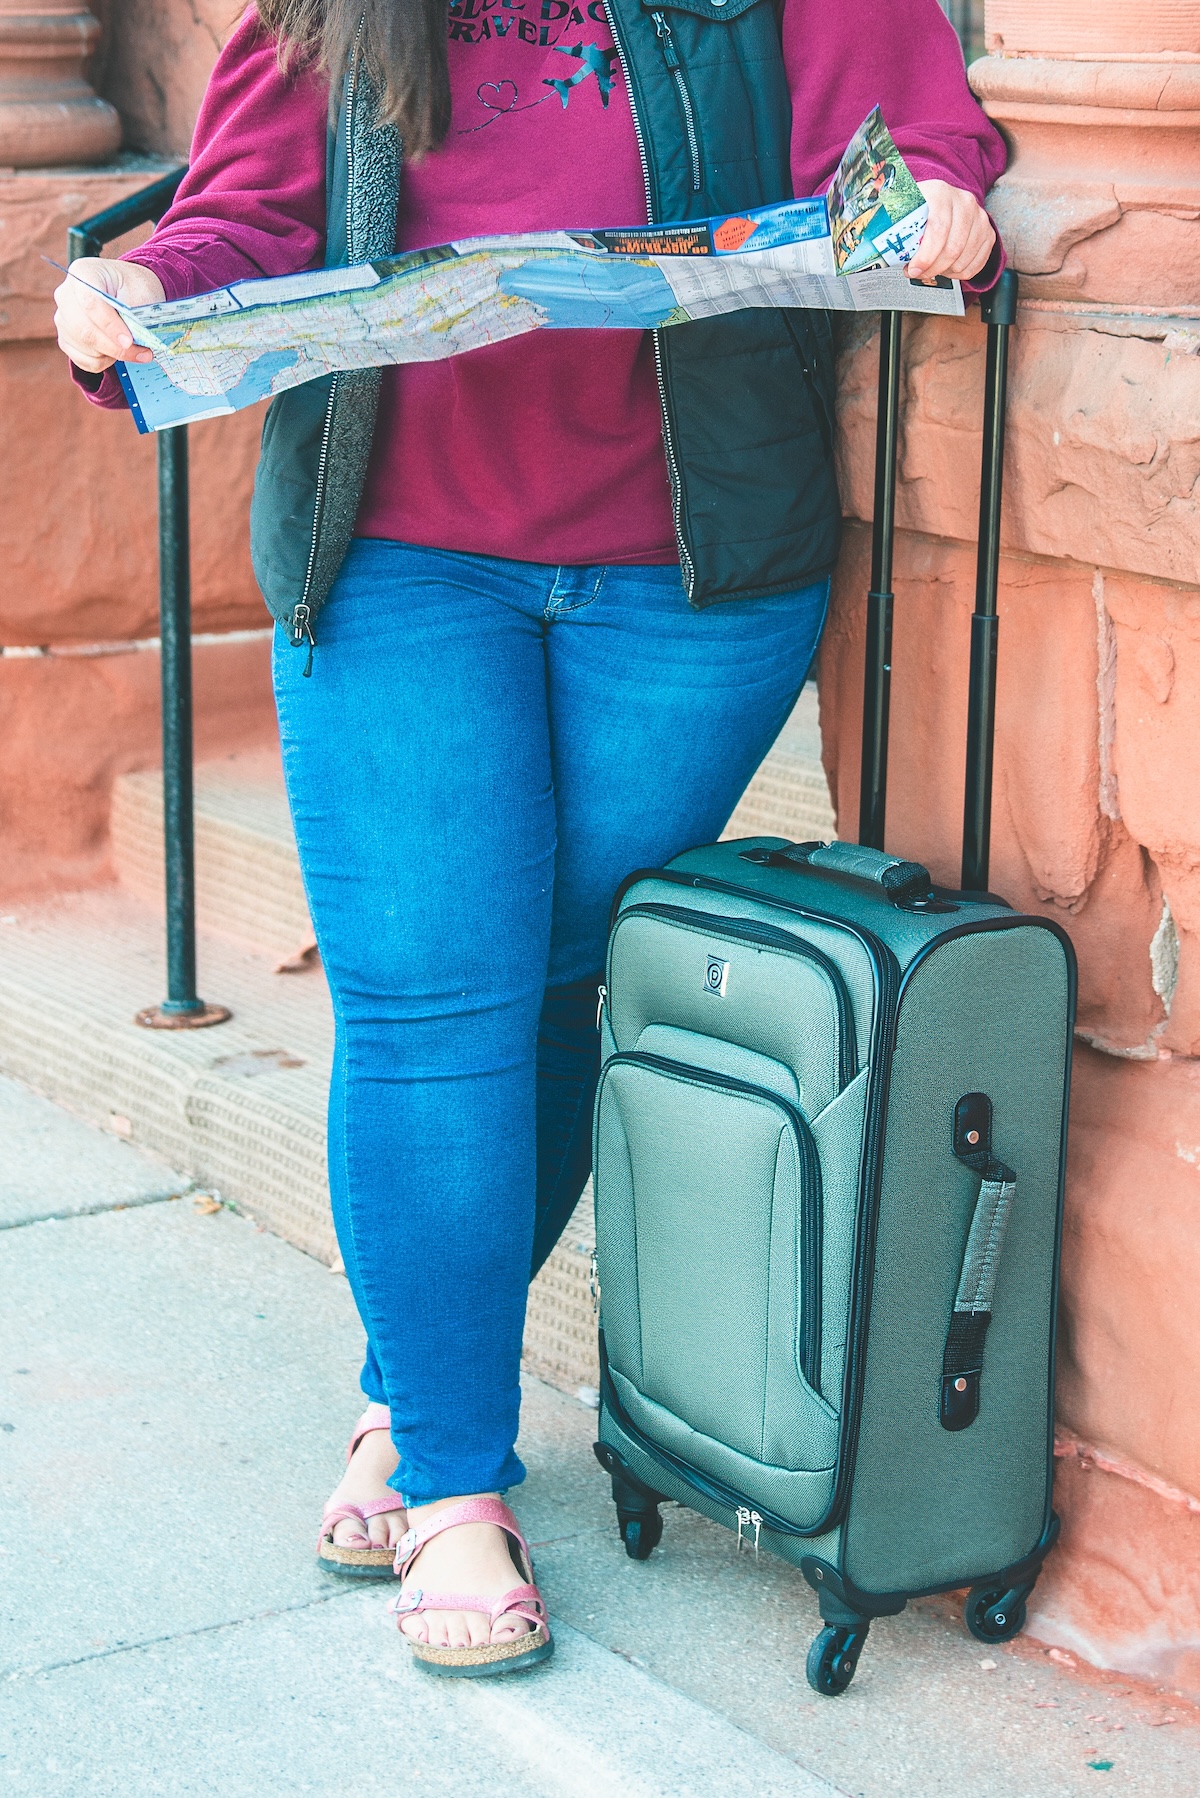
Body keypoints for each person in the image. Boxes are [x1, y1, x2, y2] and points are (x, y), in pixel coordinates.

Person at [54, 0, 1004, 1678]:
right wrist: (133, 290)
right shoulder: (338, 10)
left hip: (694, 577)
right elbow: (246, 215)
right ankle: (451, 1480)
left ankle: (402, 1388)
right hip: (399, 564)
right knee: (433, 1003)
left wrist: (937, 204)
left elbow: (906, 156)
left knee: (560, 984)